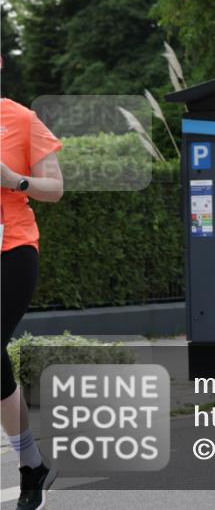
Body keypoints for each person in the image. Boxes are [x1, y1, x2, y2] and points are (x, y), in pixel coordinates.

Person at [1, 95, 64, 510]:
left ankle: (30, 464)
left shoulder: (20, 118)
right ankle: (32, 463)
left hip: (12, 248)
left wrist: (14, 180)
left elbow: (55, 189)